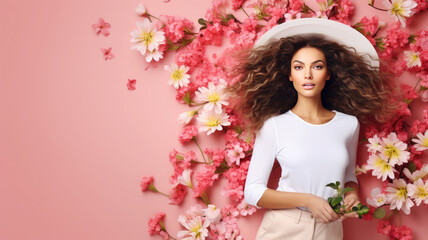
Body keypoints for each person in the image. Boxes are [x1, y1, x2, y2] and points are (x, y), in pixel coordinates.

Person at [228, 18, 395, 239]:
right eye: (298, 67)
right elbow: (252, 192)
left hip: (330, 229)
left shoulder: (348, 124)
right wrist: (307, 200)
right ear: (290, 75)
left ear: (328, 73)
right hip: (284, 227)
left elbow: (348, 176)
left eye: (317, 66)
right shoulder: (274, 126)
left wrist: (351, 196)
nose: (307, 74)